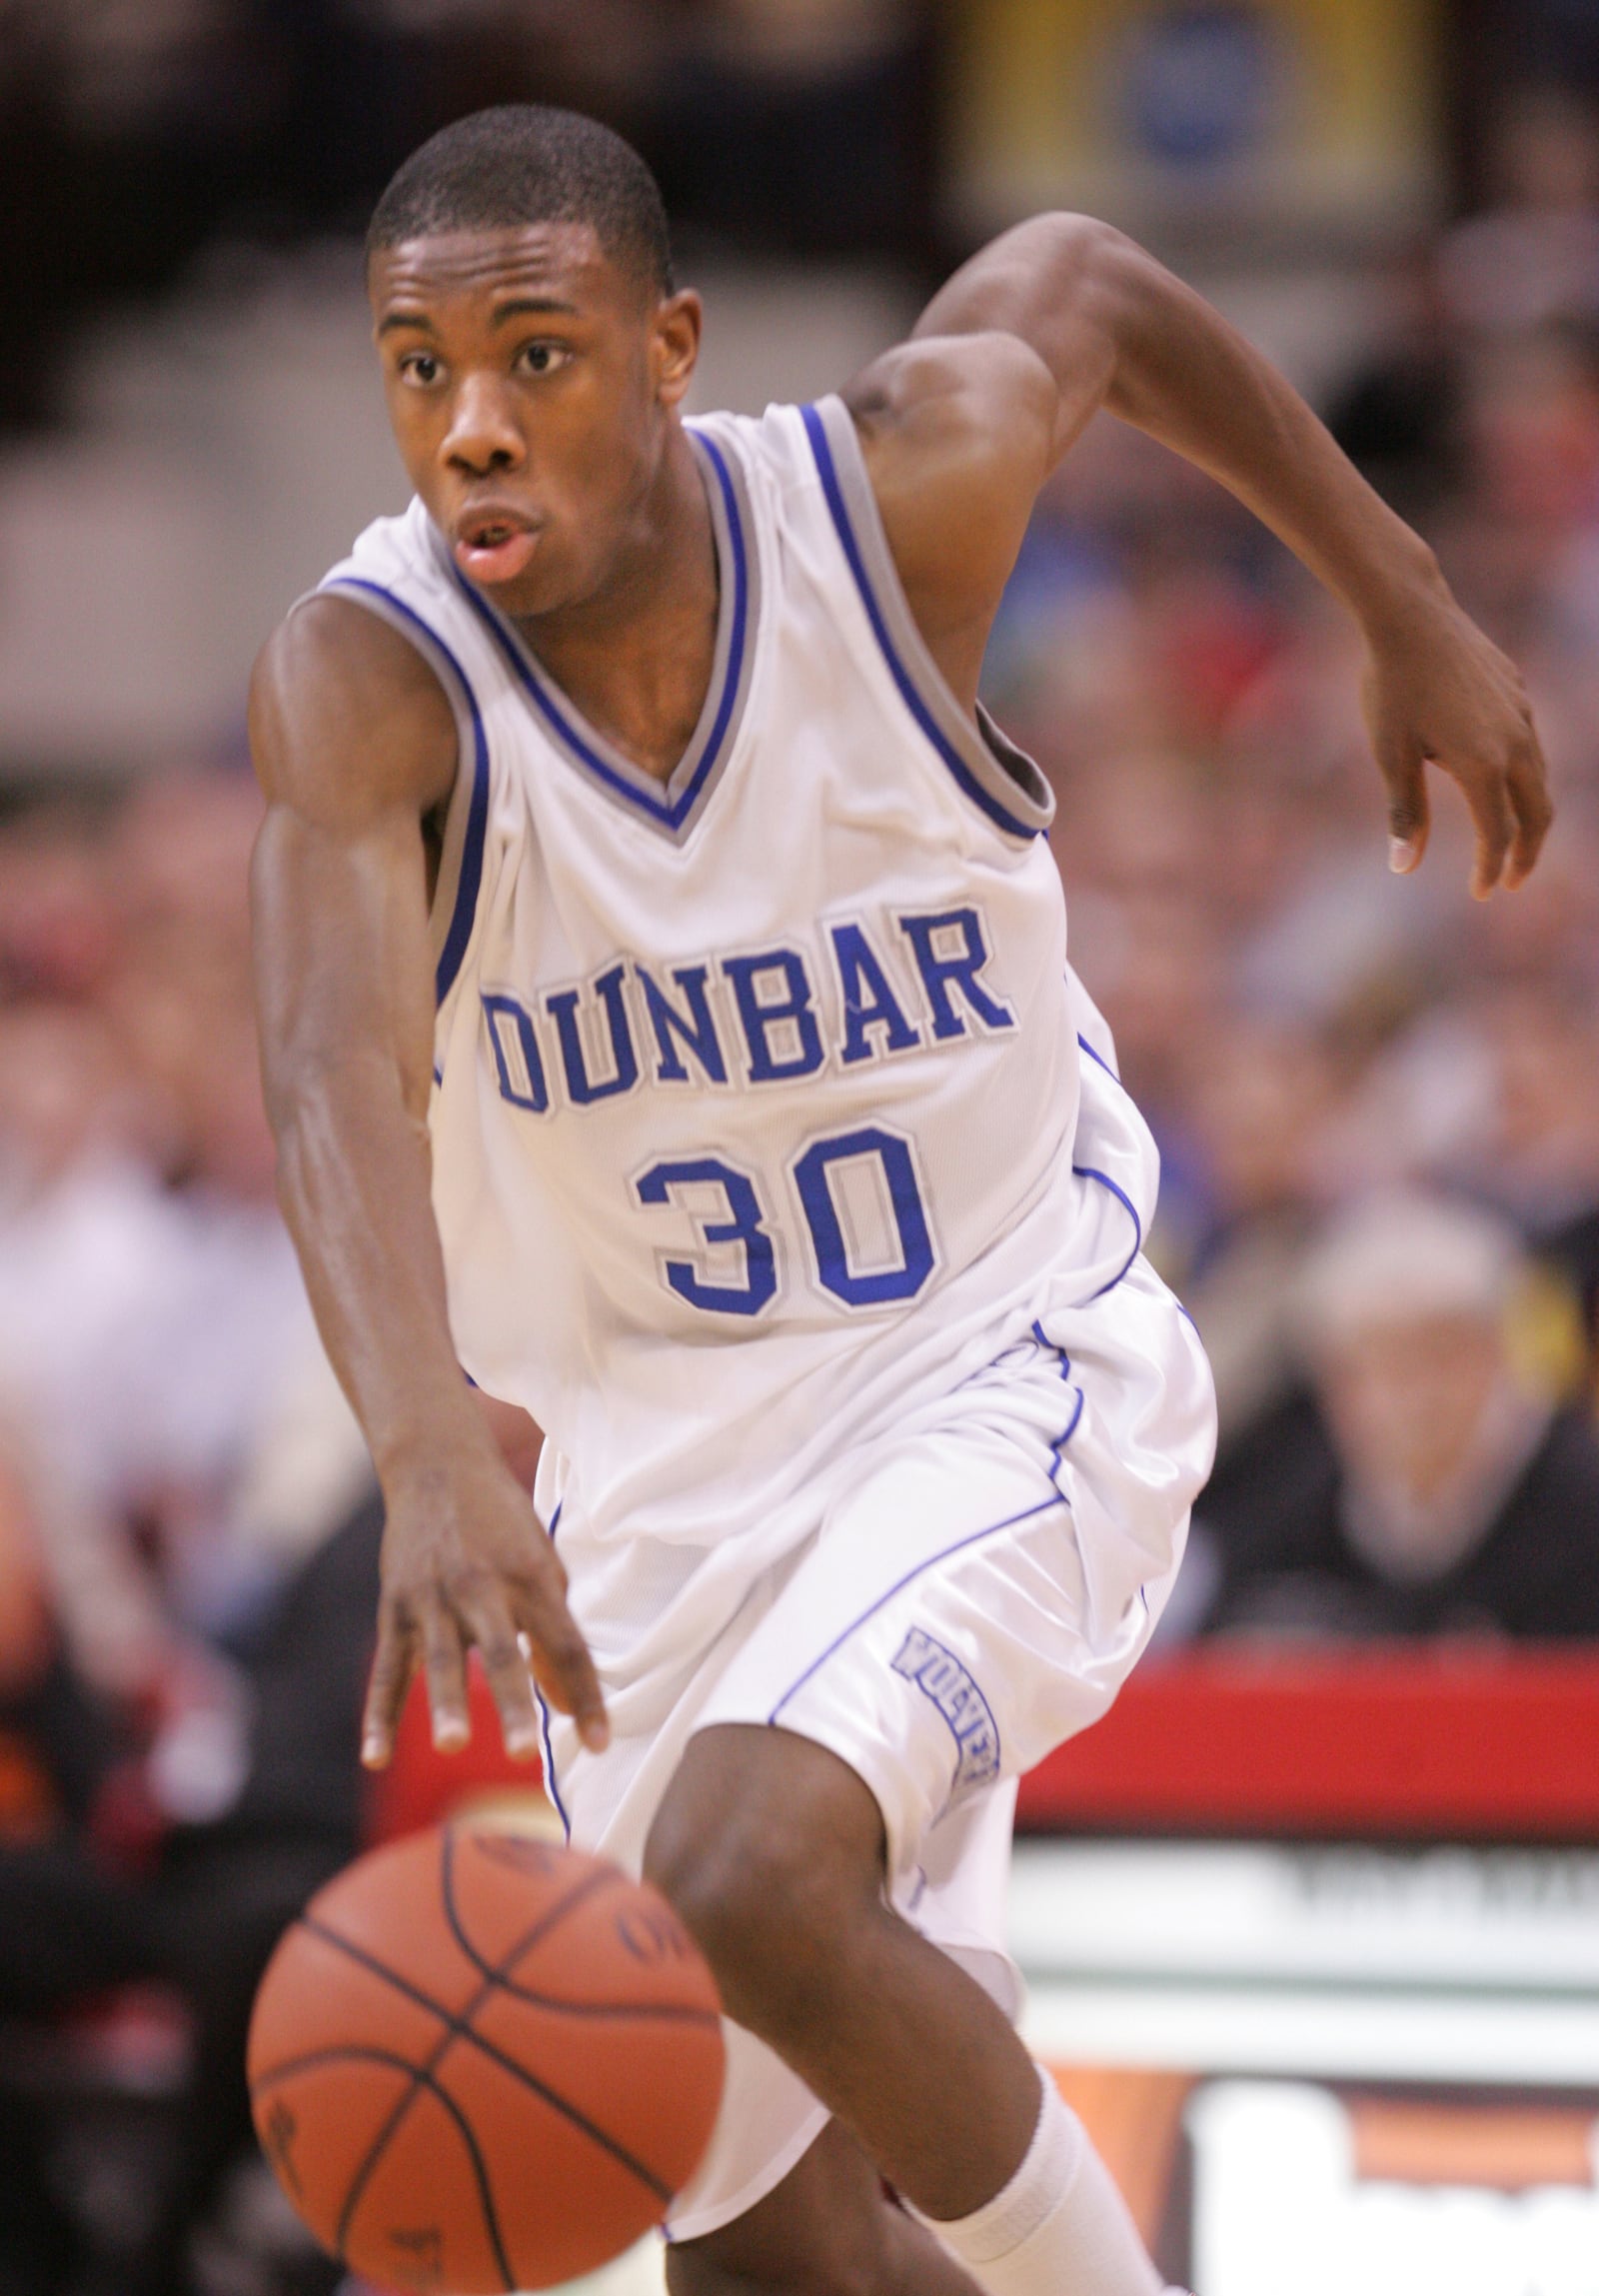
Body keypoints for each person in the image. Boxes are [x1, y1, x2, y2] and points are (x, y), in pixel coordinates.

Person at [247, 105, 1550, 2296]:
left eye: (535, 355)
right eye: (415, 367)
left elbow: (1091, 284)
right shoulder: (371, 683)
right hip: (658, 1480)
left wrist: (1393, 592)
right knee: (761, 2249)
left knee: (751, 1873)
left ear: (668, 348)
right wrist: (416, 1445)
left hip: (993, 1358)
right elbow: (321, 1067)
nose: (468, 426)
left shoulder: (889, 501)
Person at [1195, 1190, 1599, 1641]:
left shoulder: (1579, 1501)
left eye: (1440, 1355)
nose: (1415, 1394)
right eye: (1382, 1366)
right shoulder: (1295, 1508)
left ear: (1496, 1353)